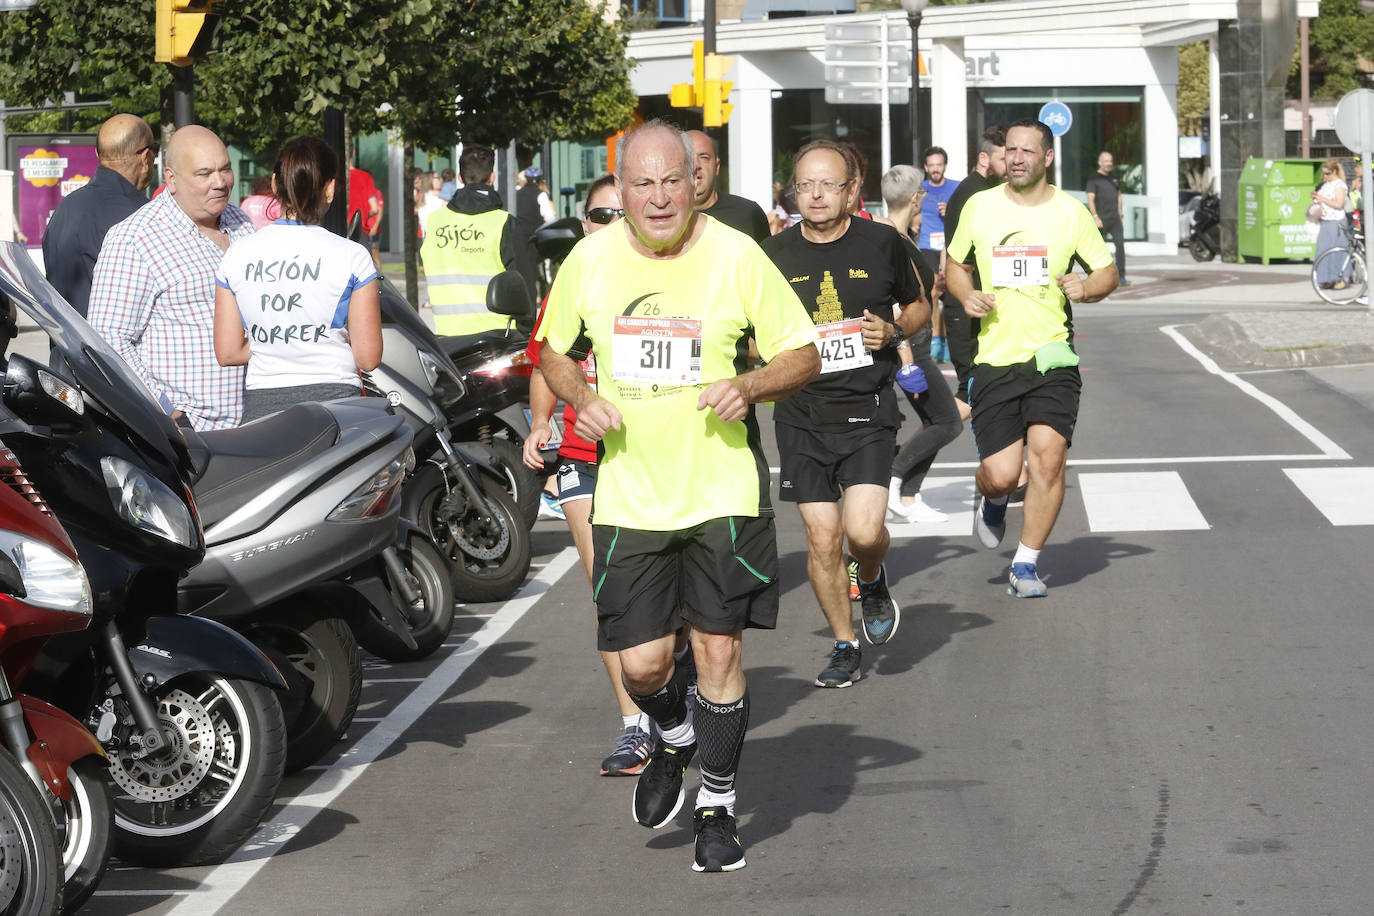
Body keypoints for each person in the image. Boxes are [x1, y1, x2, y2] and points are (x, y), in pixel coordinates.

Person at [536, 120, 820, 872]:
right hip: (630, 496)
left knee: (718, 649)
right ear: (619, 187)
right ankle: (675, 735)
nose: (659, 198)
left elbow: (805, 352)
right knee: (643, 668)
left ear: (696, 182)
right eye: (642, 183)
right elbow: (553, 351)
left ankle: (717, 807)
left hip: (721, 491)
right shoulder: (589, 261)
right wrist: (578, 398)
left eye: (673, 180)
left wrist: (750, 384)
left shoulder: (736, 254)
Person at [761, 140, 928, 687]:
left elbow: (923, 304)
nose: (814, 195)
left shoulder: (884, 243)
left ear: (852, 190)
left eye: (827, 185)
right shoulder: (772, 255)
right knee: (822, 538)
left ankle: (873, 578)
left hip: (867, 410)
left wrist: (895, 329)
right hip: (801, 414)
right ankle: (843, 642)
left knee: (862, 532)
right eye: (804, 185)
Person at [521, 173, 660, 776]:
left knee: (664, 592)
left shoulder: (661, 273)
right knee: (608, 588)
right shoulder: (575, 276)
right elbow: (545, 358)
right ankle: (635, 726)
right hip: (584, 452)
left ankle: (673, 701)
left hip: (655, 452)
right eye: (598, 216)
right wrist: (540, 423)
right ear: (585, 223)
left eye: (617, 215)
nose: (608, 225)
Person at [944, 119, 1118, 598]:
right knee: (1002, 475)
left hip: (1051, 357)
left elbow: (1107, 272)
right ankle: (993, 499)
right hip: (995, 358)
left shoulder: (1070, 212)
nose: (1017, 157)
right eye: (1010, 149)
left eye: (1027, 151)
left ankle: (1025, 564)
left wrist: (1087, 288)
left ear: (1047, 158)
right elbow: (954, 265)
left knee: (1048, 459)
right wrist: (966, 295)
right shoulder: (980, 206)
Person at [89, 125, 255, 431]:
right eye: (204, 174)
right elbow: (108, 341)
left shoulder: (242, 223)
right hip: (192, 436)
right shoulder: (135, 238)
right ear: (171, 178)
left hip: (255, 422)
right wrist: (166, 411)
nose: (220, 182)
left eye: (225, 169)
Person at [212, 136, 381, 423]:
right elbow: (368, 358)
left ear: (276, 184)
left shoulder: (235, 256)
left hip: (262, 407)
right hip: (337, 406)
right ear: (329, 189)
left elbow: (228, 352)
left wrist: (280, 342)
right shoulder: (353, 256)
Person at [875, 164, 963, 524]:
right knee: (948, 422)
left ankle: (908, 497)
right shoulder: (890, 238)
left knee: (934, 420)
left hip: (916, 342)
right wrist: (907, 359)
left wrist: (933, 289)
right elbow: (892, 301)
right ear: (916, 198)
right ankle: (892, 479)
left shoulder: (899, 234)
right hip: (909, 346)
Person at [41, 113, 155, 317]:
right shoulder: (144, 217)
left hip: (65, 345)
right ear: (146, 157)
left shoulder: (65, 208)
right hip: (114, 347)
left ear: (97, 154)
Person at [420, 145, 531, 335]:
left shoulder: (434, 221)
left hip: (448, 338)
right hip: (499, 337)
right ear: (492, 177)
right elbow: (523, 283)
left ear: (460, 178)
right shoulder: (503, 222)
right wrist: (526, 332)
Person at [941, 125, 1007, 417]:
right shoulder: (975, 194)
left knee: (983, 393)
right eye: (1004, 159)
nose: (1011, 166)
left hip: (973, 302)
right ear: (984, 159)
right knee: (969, 393)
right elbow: (962, 259)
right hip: (964, 302)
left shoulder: (981, 191)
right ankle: (904, 458)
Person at [686, 130, 770, 242]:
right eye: (687, 158)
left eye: (704, 157)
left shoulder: (747, 213)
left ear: (717, 167)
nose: (695, 165)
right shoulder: (663, 218)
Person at [918, 146, 959, 363]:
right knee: (933, 290)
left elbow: (965, 214)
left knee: (950, 292)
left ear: (944, 165)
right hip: (927, 246)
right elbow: (912, 215)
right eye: (931, 165)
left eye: (939, 165)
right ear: (926, 167)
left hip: (950, 244)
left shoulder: (956, 187)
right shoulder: (920, 189)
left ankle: (947, 340)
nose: (935, 169)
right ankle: (935, 340)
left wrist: (951, 211)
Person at [1085, 151, 1129, 286]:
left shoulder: (1114, 178)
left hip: (1115, 219)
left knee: (1120, 246)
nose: (1109, 163)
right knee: (1098, 249)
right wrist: (1095, 217)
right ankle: (1095, 276)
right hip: (1101, 220)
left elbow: (1119, 195)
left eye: (1110, 161)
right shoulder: (1093, 179)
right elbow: (1090, 199)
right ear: (1100, 162)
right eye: (1106, 161)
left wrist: (1120, 212)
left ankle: (1121, 277)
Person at [1312, 159, 1350, 290]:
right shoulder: (1325, 184)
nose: (1325, 176)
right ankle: (1326, 278)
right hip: (1325, 221)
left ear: (1334, 171)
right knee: (1323, 252)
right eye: (1323, 174)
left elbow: (1338, 204)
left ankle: (1340, 278)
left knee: (1336, 252)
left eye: (1327, 173)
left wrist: (1322, 199)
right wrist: (1316, 197)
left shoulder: (1339, 185)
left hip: (1336, 222)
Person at [347, 153, 384, 270]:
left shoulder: (332, 178)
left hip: (335, 232)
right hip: (358, 231)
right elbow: (375, 208)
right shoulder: (365, 177)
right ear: (353, 153)